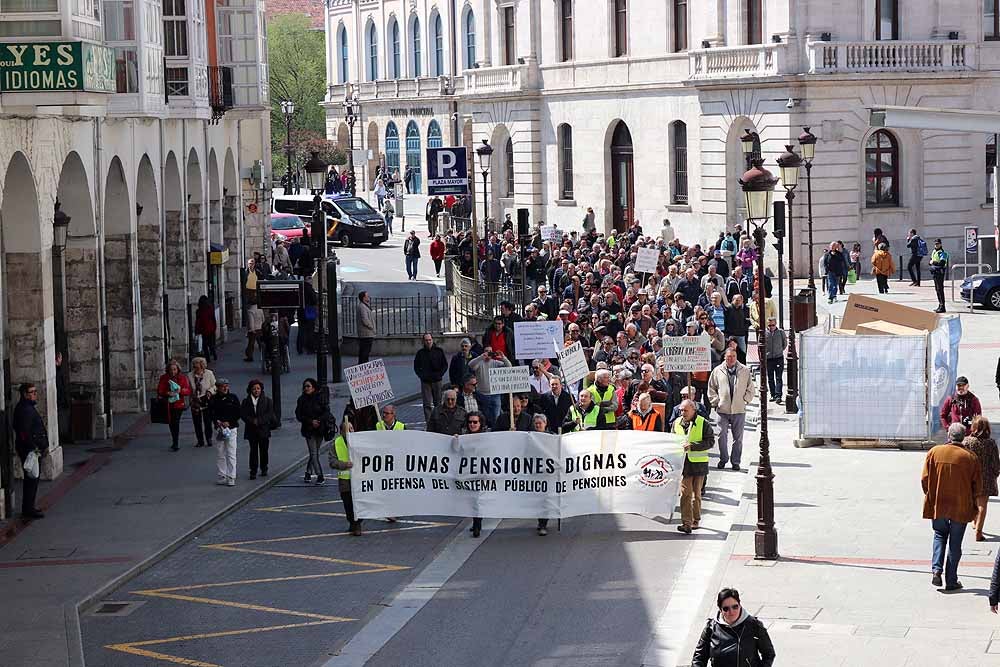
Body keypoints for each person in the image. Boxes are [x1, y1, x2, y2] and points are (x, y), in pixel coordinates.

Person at [922, 422, 982, 590]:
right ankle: (951, 579)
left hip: (939, 504)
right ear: (963, 437)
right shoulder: (970, 457)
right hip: (961, 506)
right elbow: (977, 487)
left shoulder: (934, 452)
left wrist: (930, 494)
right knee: (955, 543)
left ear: (949, 435)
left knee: (940, 535)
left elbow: (924, 479)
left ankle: (936, 571)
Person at [692, 588, 776, 667]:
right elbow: (699, 658)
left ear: (740, 605)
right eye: (726, 609)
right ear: (720, 610)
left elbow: (769, 654)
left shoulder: (754, 626)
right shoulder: (711, 628)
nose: (731, 612)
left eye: (735, 607)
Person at [708, 348, 755, 471]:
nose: (731, 358)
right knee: (721, 435)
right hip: (722, 410)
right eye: (729, 356)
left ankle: (735, 461)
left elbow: (751, 388)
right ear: (725, 357)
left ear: (736, 357)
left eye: (733, 356)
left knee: (738, 438)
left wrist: (745, 400)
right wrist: (716, 402)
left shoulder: (744, 370)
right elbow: (711, 388)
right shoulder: (717, 371)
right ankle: (723, 458)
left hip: (739, 410)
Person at [675, 399, 715, 534]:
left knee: (696, 494)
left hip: (699, 465)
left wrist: (692, 446)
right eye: (681, 410)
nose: (682, 413)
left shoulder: (703, 423)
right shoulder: (676, 423)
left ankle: (696, 519)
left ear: (693, 410)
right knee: (685, 494)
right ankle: (686, 523)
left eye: (685, 410)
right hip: (684, 464)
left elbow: (710, 442)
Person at [13, 383, 48, 519]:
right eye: (32, 392)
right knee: (31, 478)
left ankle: (29, 507)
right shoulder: (25, 409)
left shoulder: (26, 407)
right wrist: (34, 447)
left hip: (30, 448)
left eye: (35, 392)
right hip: (30, 450)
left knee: (32, 478)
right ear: (25, 394)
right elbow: (24, 432)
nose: (35, 394)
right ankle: (28, 509)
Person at [962, 416, 999, 542]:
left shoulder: (967, 441)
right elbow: (995, 463)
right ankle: (978, 531)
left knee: (972, 501)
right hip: (986, 477)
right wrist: (995, 473)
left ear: (974, 427)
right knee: (982, 505)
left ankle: (975, 521)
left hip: (970, 477)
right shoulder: (991, 443)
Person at [295, 378, 332, 485]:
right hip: (309, 430)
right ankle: (320, 476)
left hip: (320, 429)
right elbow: (299, 415)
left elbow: (327, 412)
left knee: (314, 453)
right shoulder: (301, 399)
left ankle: (308, 473)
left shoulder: (320, 398)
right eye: (305, 386)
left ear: (313, 387)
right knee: (314, 453)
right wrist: (311, 421)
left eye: (308, 386)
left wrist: (319, 420)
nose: (306, 388)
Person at [329, 421, 363, 536]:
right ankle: (352, 522)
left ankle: (357, 524)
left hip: (358, 479)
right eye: (348, 429)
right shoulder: (336, 443)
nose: (351, 431)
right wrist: (344, 465)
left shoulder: (360, 441)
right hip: (345, 481)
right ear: (341, 432)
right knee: (348, 504)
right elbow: (332, 461)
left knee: (358, 503)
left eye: (352, 428)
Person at [208, 378, 241, 487]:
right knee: (220, 452)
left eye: (226, 385)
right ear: (218, 388)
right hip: (219, 429)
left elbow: (238, 412)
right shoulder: (213, 399)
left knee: (231, 453)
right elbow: (211, 413)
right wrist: (217, 421)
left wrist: (229, 422)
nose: (225, 388)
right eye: (223, 386)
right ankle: (222, 475)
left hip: (231, 428)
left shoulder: (233, 398)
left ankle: (231, 476)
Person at [241, 379, 276, 480]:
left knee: (264, 450)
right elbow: (243, 414)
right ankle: (253, 470)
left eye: (258, 388)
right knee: (253, 450)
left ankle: (264, 467)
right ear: (250, 390)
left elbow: (269, 414)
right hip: (251, 429)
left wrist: (260, 421)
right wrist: (252, 421)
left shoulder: (267, 401)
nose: (256, 390)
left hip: (263, 429)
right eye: (254, 389)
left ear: (261, 390)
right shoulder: (246, 401)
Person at [462, 412, 490, 537]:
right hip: (468, 473)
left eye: (475, 422)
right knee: (471, 500)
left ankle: (478, 525)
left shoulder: (486, 437)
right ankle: (475, 522)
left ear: (480, 423)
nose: (472, 424)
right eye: (470, 422)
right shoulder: (464, 436)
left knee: (478, 500)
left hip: (481, 473)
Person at [157, 359, 192, 451]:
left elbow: (187, 390)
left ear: (178, 369)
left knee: (175, 422)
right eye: (171, 369)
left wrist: (180, 391)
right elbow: (160, 390)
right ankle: (174, 439)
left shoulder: (182, 378)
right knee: (171, 423)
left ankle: (175, 442)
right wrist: (167, 393)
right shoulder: (164, 378)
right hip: (167, 404)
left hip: (178, 404)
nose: (173, 372)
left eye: (174, 369)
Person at [414, 332, 448, 422]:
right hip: (425, 382)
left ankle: (438, 422)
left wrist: (440, 374)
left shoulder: (439, 351)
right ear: (423, 341)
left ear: (432, 340)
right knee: (427, 404)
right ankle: (429, 424)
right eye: (426, 340)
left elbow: (444, 365)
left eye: (430, 340)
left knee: (438, 403)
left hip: (437, 381)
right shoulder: (420, 353)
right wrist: (421, 376)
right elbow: (416, 367)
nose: (428, 342)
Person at [531, 414, 553, 536]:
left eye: (540, 423)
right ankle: (541, 522)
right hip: (535, 473)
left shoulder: (552, 437)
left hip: (548, 474)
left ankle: (543, 523)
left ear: (545, 424)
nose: (538, 425)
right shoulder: (530, 437)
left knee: (545, 500)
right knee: (539, 500)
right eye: (536, 423)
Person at [188, 356, 216, 448]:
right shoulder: (190, 375)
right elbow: (189, 389)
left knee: (207, 421)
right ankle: (200, 440)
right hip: (195, 400)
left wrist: (210, 391)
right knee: (197, 422)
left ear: (202, 366)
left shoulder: (209, 373)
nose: (196, 369)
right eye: (194, 367)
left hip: (206, 399)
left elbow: (215, 386)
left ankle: (209, 438)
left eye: (198, 367)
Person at [763, 317, 787, 404]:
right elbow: (760, 345)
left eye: (773, 325)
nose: (771, 327)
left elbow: (785, 344)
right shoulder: (764, 333)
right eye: (769, 325)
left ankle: (778, 396)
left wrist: (779, 351)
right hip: (769, 358)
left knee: (778, 377)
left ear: (776, 324)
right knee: (770, 378)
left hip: (778, 358)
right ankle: (772, 394)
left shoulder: (781, 332)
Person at [929, 238, 950, 313]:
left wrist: (933, 262)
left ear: (940, 244)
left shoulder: (943, 253)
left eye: (938, 244)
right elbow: (930, 260)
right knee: (937, 289)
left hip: (940, 272)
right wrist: (931, 263)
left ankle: (942, 306)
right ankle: (940, 304)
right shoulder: (934, 251)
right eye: (935, 244)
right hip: (935, 272)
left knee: (940, 289)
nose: (936, 245)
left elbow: (942, 263)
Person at [195, 295, 218, 361]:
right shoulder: (210, 308)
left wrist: (197, 330)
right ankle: (214, 354)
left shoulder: (199, 311)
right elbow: (213, 318)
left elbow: (198, 322)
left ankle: (208, 358)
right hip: (211, 328)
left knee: (205, 345)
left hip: (204, 329)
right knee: (211, 343)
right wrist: (214, 327)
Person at [356, 291, 376, 365]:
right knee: (365, 352)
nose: (369, 297)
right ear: (364, 298)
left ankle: (363, 366)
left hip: (367, 333)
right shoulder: (362, 307)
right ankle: (363, 367)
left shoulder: (364, 306)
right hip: (366, 333)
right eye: (367, 296)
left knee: (364, 352)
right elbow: (365, 319)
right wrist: (371, 327)